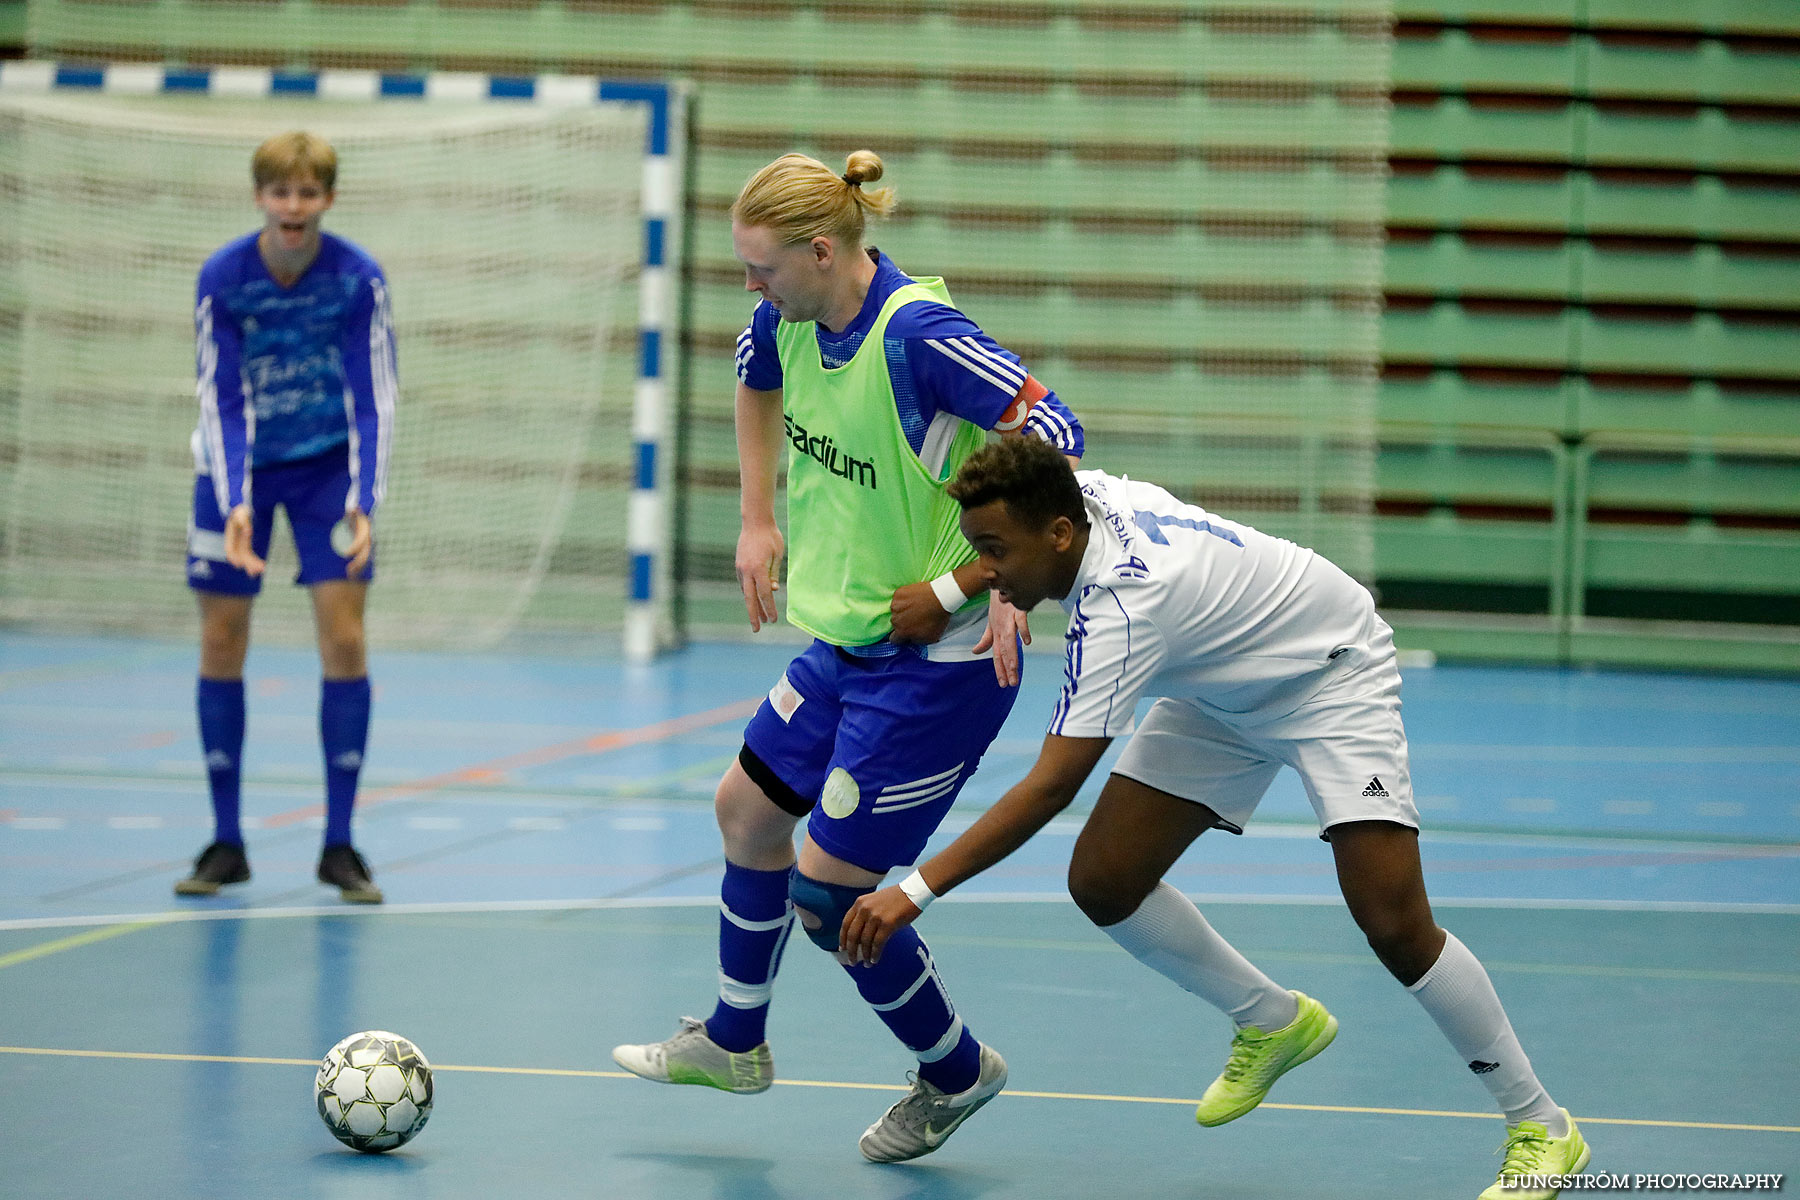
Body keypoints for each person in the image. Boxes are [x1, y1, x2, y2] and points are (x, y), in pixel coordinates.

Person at [839, 437, 1590, 1199]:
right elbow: (1025, 517)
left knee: (1394, 921)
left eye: (995, 552)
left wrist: (913, 892)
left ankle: (1542, 1126)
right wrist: (951, 589)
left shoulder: (1123, 610)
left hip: (1329, 672)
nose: (987, 572)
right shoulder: (1071, 497)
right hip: (1221, 688)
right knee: (1106, 880)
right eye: (979, 552)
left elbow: (1050, 788)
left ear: (1059, 536)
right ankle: (1272, 1021)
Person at [610, 150, 1085, 1162]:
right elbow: (755, 378)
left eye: (762, 268)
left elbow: (1058, 429)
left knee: (828, 895)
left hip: (941, 664)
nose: (751, 287)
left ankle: (957, 1073)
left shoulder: (919, 335)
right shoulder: (785, 317)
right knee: (744, 810)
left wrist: (979, 581)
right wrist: (755, 518)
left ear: (822, 250)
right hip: (853, 637)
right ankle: (736, 1039)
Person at [174, 131, 396, 905]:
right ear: (260, 198)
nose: (293, 208)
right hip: (235, 468)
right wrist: (235, 499)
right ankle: (225, 841)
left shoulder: (356, 279)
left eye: (307, 193)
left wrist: (363, 500)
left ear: (327, 199)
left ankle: (339, 844)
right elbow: (221, 397)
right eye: (280, 193)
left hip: (326, 471)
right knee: (222, 635)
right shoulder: (224, 279)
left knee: (343, 638)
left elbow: (374, 396)